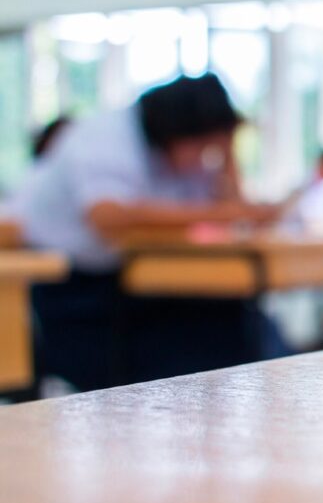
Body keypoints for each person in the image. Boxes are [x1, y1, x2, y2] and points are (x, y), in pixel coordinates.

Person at [13, 73, 284, 392]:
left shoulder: (179, 147)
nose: (207, 154)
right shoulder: (106, 137)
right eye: (207, 144)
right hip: (75, 290)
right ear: (182, 130)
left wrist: (228, 154)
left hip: (133, 282)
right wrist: (228, 212)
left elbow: (231, 210)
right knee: (209, 338)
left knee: (238, 321)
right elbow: (107, 217)